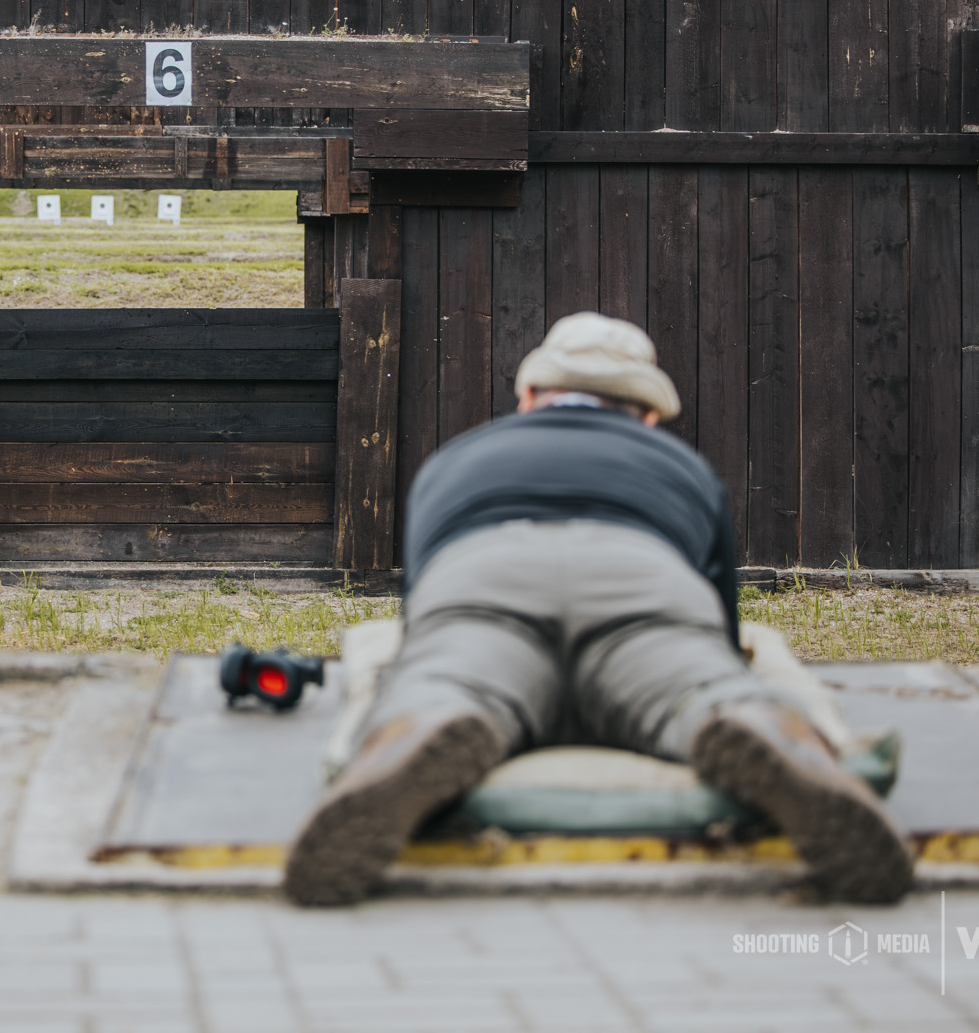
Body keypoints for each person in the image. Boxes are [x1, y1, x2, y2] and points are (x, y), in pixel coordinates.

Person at [283, 312, 914, 908]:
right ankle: (759, 730)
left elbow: (419, 611)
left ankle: (425, 725)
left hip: (485, 573)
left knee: (445, 675)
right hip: (640, 577)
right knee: (702, 683)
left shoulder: (457, 459)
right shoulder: (682, 467)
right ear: (645, 416)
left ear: (530, 396)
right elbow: (721, 624)